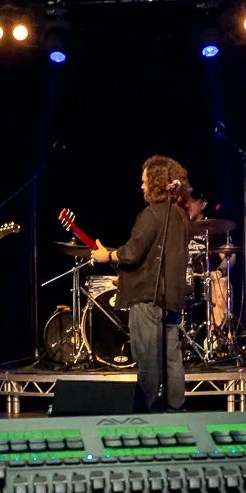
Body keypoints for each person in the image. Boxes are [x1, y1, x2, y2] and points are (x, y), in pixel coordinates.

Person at [92, 156, 192, 412]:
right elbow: (155, 258)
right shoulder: (181, 217)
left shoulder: (152, 214)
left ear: (157, 182)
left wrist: (108, 256)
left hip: (149, 300)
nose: (142, 186)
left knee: (147, 361)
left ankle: (147, 415)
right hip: (170, 299)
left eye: (145, 181)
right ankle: (175, 413)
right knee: (171, 359)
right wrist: (126, 276)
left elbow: (133, 252)